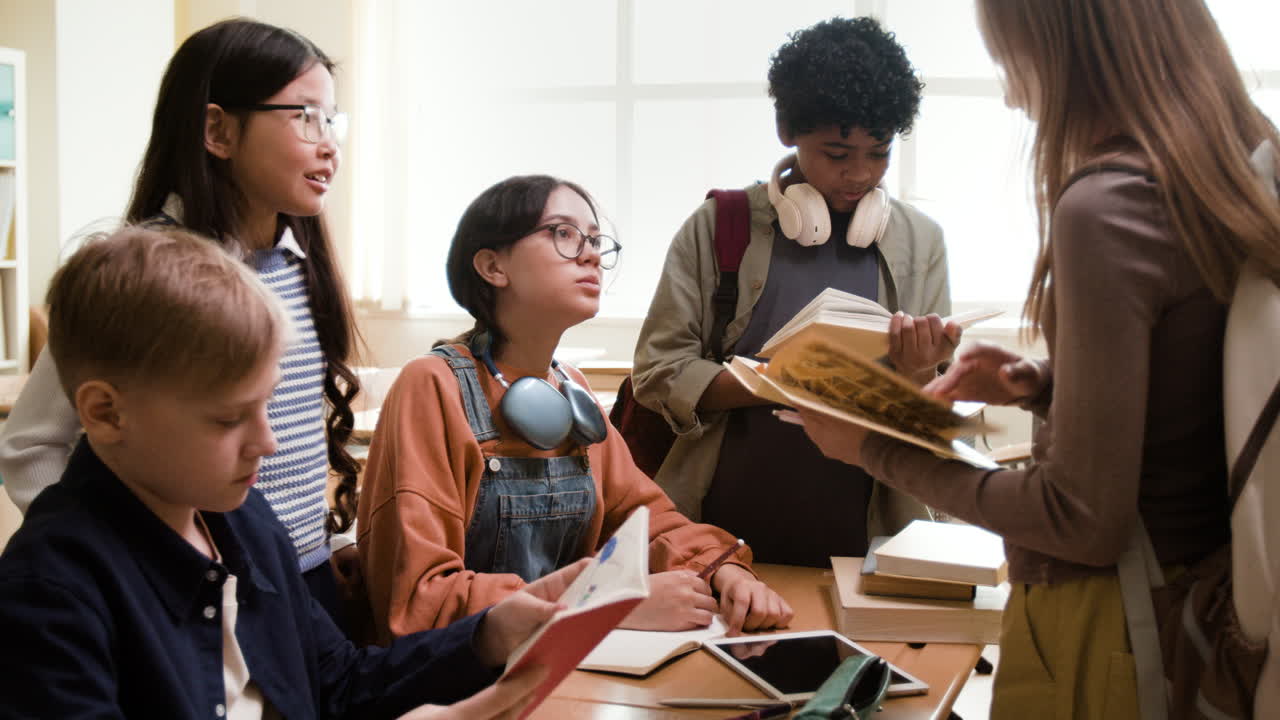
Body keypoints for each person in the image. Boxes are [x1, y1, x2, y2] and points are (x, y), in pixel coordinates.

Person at [794, 1, 1280, 717]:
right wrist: (1053, 387)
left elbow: (1080, 520)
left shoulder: (1106, 206)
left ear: (1067, 50)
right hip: (1194, 605)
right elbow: (1199, 390)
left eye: (1012, 61)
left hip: (1103, 628)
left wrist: (871, 448)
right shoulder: (1230, 164)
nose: (1015, 96)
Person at [0, 226, 592, 720]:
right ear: (107, 414)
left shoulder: (243, 519)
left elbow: (337, 681)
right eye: (228, 418)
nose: (267, 442)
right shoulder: (50, 590)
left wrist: (488, 634)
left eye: (265, 405)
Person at [0, 18, 361, 625]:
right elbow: (30, 444)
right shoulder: (145, 278)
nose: (329, 145)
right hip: (198, 593)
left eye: (331, 120)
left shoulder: (298, 262)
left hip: (301, 579)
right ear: (218, 131)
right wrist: (122, 563)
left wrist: (331, 540)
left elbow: (294, 437)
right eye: (305, 117)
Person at [357, 175, 794, 645]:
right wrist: (605, 606)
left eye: (595, 240)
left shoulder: (571, 389)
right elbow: (420, 600)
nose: (591, 256)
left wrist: (723, 570)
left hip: (561, 660)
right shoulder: (432, 385)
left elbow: (647, 522)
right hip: (462, 676)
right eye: (563, 233)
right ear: (492, 266)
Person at [630, 16, 955, 567]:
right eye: (837, 154)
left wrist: (921, 372)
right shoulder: (719, 227)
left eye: (879, 153)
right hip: (717, 535)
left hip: (868, 536)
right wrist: (779, 383)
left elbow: (932, 417)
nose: (860, 175)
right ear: (787, 129)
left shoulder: (921, 241)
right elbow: (658, 372)